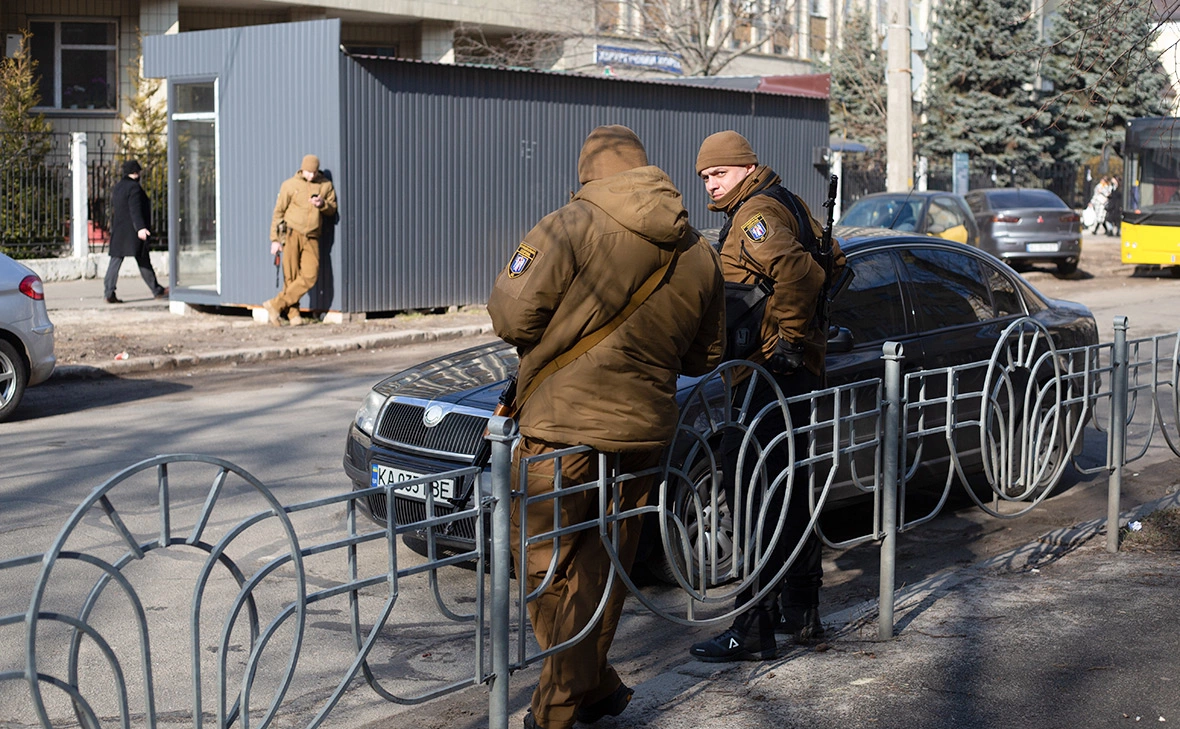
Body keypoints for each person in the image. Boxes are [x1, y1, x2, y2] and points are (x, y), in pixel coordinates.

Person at [487, 125, 725, 729]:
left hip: (558, 430)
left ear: (588, 172)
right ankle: (594, 686)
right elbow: (705, 357)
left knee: (542, 563)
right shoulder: (698, 250)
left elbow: (511, 318)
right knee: (599, 573)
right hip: (643, 436)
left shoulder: (570, 224)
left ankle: (555, 714)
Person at [688, 130, 845, 663]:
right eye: (705, 176)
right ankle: (801, 613)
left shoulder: (755, 215)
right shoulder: (787, 201)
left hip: (770, 376)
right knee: (788, 492)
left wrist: (791, 342)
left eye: (719, 173)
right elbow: (835, 263)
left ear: (745, 167)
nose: (711, 183)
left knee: (754, 495)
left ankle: (751, 626)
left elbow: (800, 273)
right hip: (787, 376)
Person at [262, 154, 337, 326]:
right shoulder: (289, 185)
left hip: (312, 236)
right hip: (291, 233)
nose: (311, 175)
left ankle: (276, 304)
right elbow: (278, 213)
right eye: (308, 172)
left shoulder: (325, 185)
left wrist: (322, 204)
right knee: (291, 275)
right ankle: (294, 315)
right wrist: (275, 239)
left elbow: (332, 209)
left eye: (314, 172)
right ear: (302, 169)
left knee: (311, 274)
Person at [103, 160, 167, 304]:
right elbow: (135, 209)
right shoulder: (134, 188)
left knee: (115, 261)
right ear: (136, 172)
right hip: (133, 231)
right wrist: (141, 228)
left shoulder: (118, 187)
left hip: (119, 231)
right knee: (143, 260)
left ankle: (109, 292)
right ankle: (157, 290)